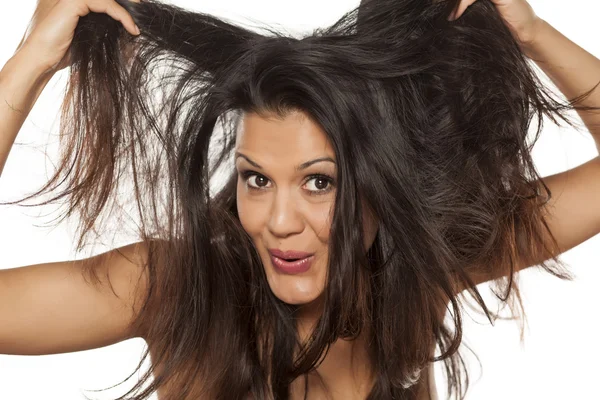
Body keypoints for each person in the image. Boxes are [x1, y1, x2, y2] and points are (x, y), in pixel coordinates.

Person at [1, 0, 599, 399]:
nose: (278, 223)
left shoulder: (420, 273)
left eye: (320, 182)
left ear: (379, 184)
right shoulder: (173, 286)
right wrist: (30, 63)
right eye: (256, 180)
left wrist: (532, 32)